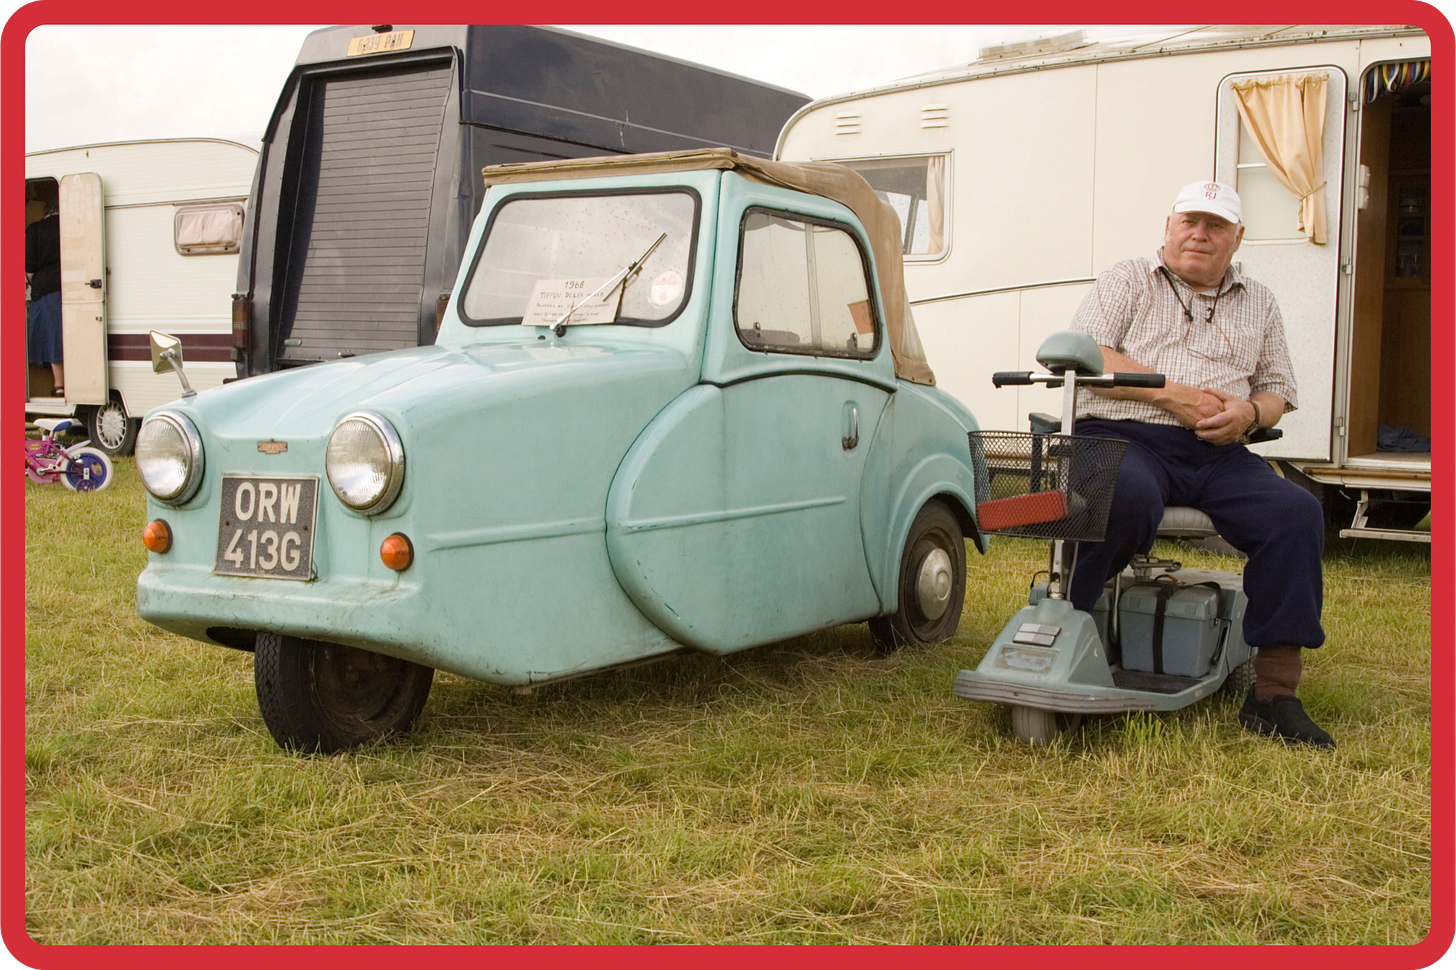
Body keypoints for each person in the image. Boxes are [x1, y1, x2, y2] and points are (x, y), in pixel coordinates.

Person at [1067, 180, 1333, 748]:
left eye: (1215, 226)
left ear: (1236, 239)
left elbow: (1278, 390)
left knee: (1297, 514)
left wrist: (1249, 413)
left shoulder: (1259, 300)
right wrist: (1171, 393)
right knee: (1126, 496)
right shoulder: (1128, 279)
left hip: (1217, 450)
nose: (1199, 233)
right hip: (1123, 431)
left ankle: (1273, 695)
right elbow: (1088, 353)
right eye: (1189, 221)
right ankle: (1072, 631)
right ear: (1168, 227)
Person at [26, 200, 64, 396]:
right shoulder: (72, 227)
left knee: (52, 337)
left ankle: (59, 385)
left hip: (46, 289)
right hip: (73, 287)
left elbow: (29, 267)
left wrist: (33, 282)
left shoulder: (35, 229)